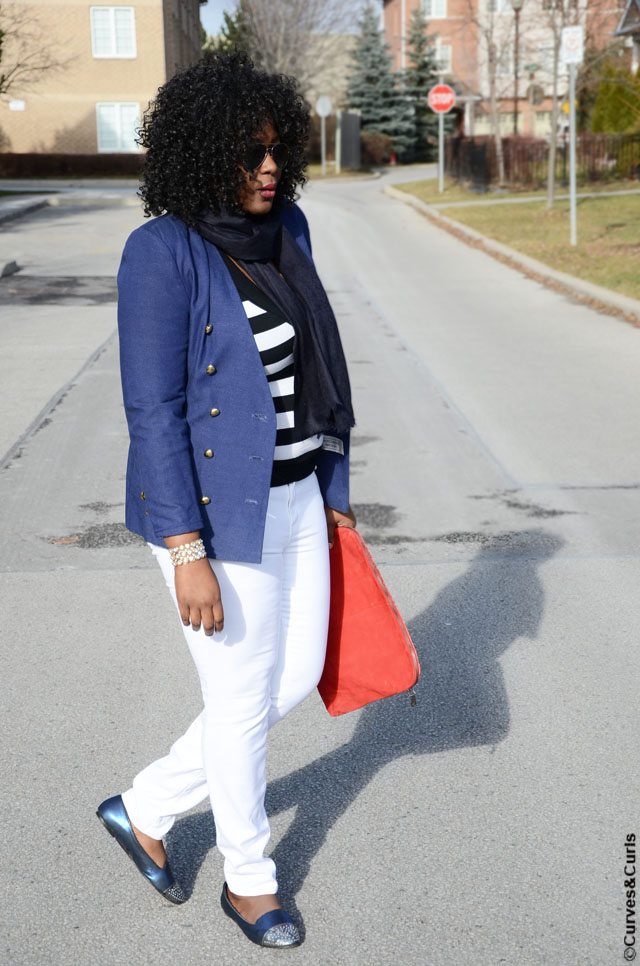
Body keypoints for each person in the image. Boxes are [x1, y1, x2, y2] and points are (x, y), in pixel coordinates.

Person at [96, 51, 356, 949]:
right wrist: (185, 550)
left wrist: (334, 491)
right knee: (242, 701)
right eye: (250, 154)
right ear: (204, 154)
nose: (270, 168)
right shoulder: (161, 252)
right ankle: (251, 882)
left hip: (297, 495)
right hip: (214, 518)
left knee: (292, 677)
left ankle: (145, 805)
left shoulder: (288, 230)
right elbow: (153, 411)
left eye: (278, 150)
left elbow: (320, 369)